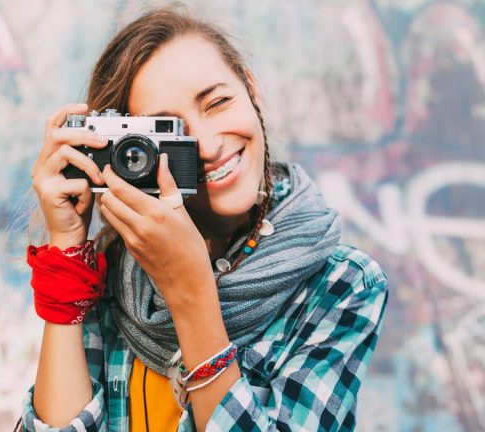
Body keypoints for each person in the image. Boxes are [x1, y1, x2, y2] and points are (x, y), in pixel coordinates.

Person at [20, 8, 388, 432]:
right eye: (170, 129)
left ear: (251, 89)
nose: (209, 146)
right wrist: (67, 250)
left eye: (218, 102)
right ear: (125, 152)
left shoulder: (342, 283)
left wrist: (190, 291)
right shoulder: (114, 274)